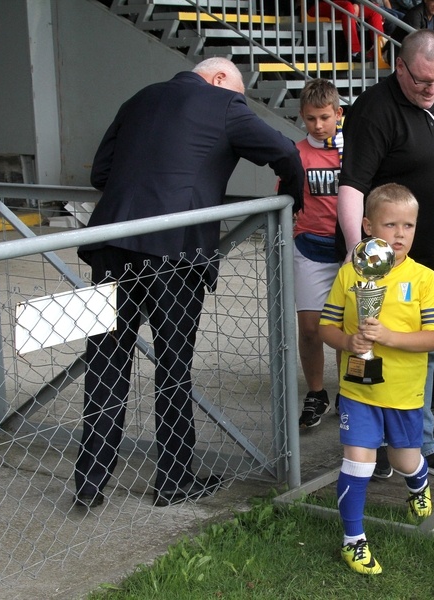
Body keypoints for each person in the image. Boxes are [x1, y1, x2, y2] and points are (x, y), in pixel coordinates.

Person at [74, 57, 304, 509]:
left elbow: (100, 173)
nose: (236, 101)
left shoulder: (138, 99)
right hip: (175, 256)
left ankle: (90, 480)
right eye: (235, 93)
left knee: (104, 363)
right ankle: (174, 478)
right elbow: (287, 153)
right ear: (219, 79)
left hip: (112, 245)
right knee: (172, 369)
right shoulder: (223, 104)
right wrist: (291, 201)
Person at [337, 29, 434, 479]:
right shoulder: (375, 109)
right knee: (371, 347)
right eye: (423, 82)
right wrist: (361, 253)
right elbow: (352, 184)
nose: (432, 90)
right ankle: (376, 444)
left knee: (421, 351)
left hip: (424, 256)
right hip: (379, 263)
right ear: (401, 67)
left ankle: (412, 442)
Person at [320, 183, 434, 575]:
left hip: (405, 394)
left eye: (408, 225)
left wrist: (388, 337)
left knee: (404, 459)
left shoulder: (424, 278)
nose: (400, 234)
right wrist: (349, 340)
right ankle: (353, 541)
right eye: (390, 224)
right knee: (358, 461)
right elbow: (326, 328)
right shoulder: (350, 275)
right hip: (358, 389)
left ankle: (418, 481)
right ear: (368, 227)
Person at [293, 79, 344, 429]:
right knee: (310, 328)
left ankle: (348, 391)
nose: (318, 125)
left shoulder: (353, 150)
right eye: (311, 119)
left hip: (348, 248)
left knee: (345, 325)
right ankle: (316, 393)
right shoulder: (295, 153)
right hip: (309, 246)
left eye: (325, 117)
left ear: (338, 114)